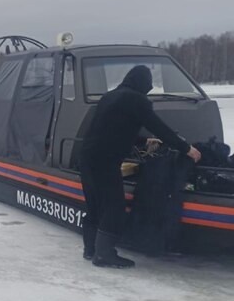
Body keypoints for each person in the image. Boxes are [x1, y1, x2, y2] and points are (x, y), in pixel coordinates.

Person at [80, 65, 201, 268]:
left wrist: (142, 141)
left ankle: (90, 249)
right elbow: (159, 126)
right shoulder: (137, 99)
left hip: (87, 157)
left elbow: (112, 128)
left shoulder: (109, 96)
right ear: (142, 82)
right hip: (106, 160)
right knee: (114, 206)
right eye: (148, 82)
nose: (150, 87)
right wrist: (186, 148)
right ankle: (104, 254)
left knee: (94, 204)